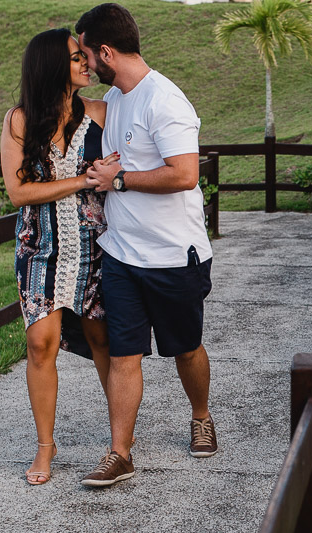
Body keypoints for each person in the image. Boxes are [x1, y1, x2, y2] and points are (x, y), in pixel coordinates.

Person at [75, 3, 218, 488]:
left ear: (107, 51)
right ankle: (120, 453)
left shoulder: (165, 100)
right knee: (123, 355)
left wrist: (117, 181)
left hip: (173, 256)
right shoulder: (116, 98)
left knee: (186, 348)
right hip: (121, 255)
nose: (86, 63)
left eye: (87, 54)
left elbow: (185, 173)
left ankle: (200, 414)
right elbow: (70, 113)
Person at [1, 29, 113, 486]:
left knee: (103, 340)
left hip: (93, 249)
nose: (86, 62)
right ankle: (45, 448)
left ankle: (118, 441)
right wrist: (82, 181)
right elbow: (18, 191)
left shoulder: (103, 113)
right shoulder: (20, 120)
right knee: (40, 344)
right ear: (52, 67)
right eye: (75, 58)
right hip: (40, 250)